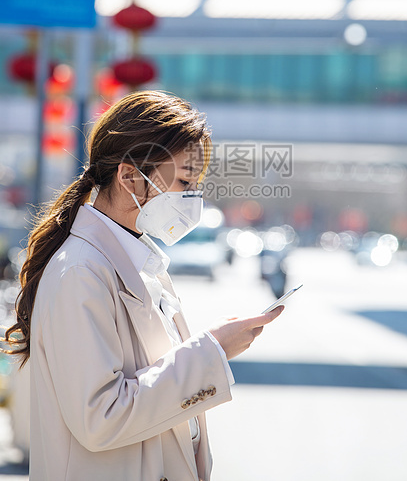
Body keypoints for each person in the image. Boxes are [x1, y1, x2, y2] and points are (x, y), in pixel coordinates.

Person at [4, 91, 284, 481]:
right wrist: (212, 351)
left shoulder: (140, 263)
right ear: (130, 176)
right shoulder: (82, 273)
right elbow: (100, 417)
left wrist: (210, 348)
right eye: (185, 180)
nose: (194, 197)